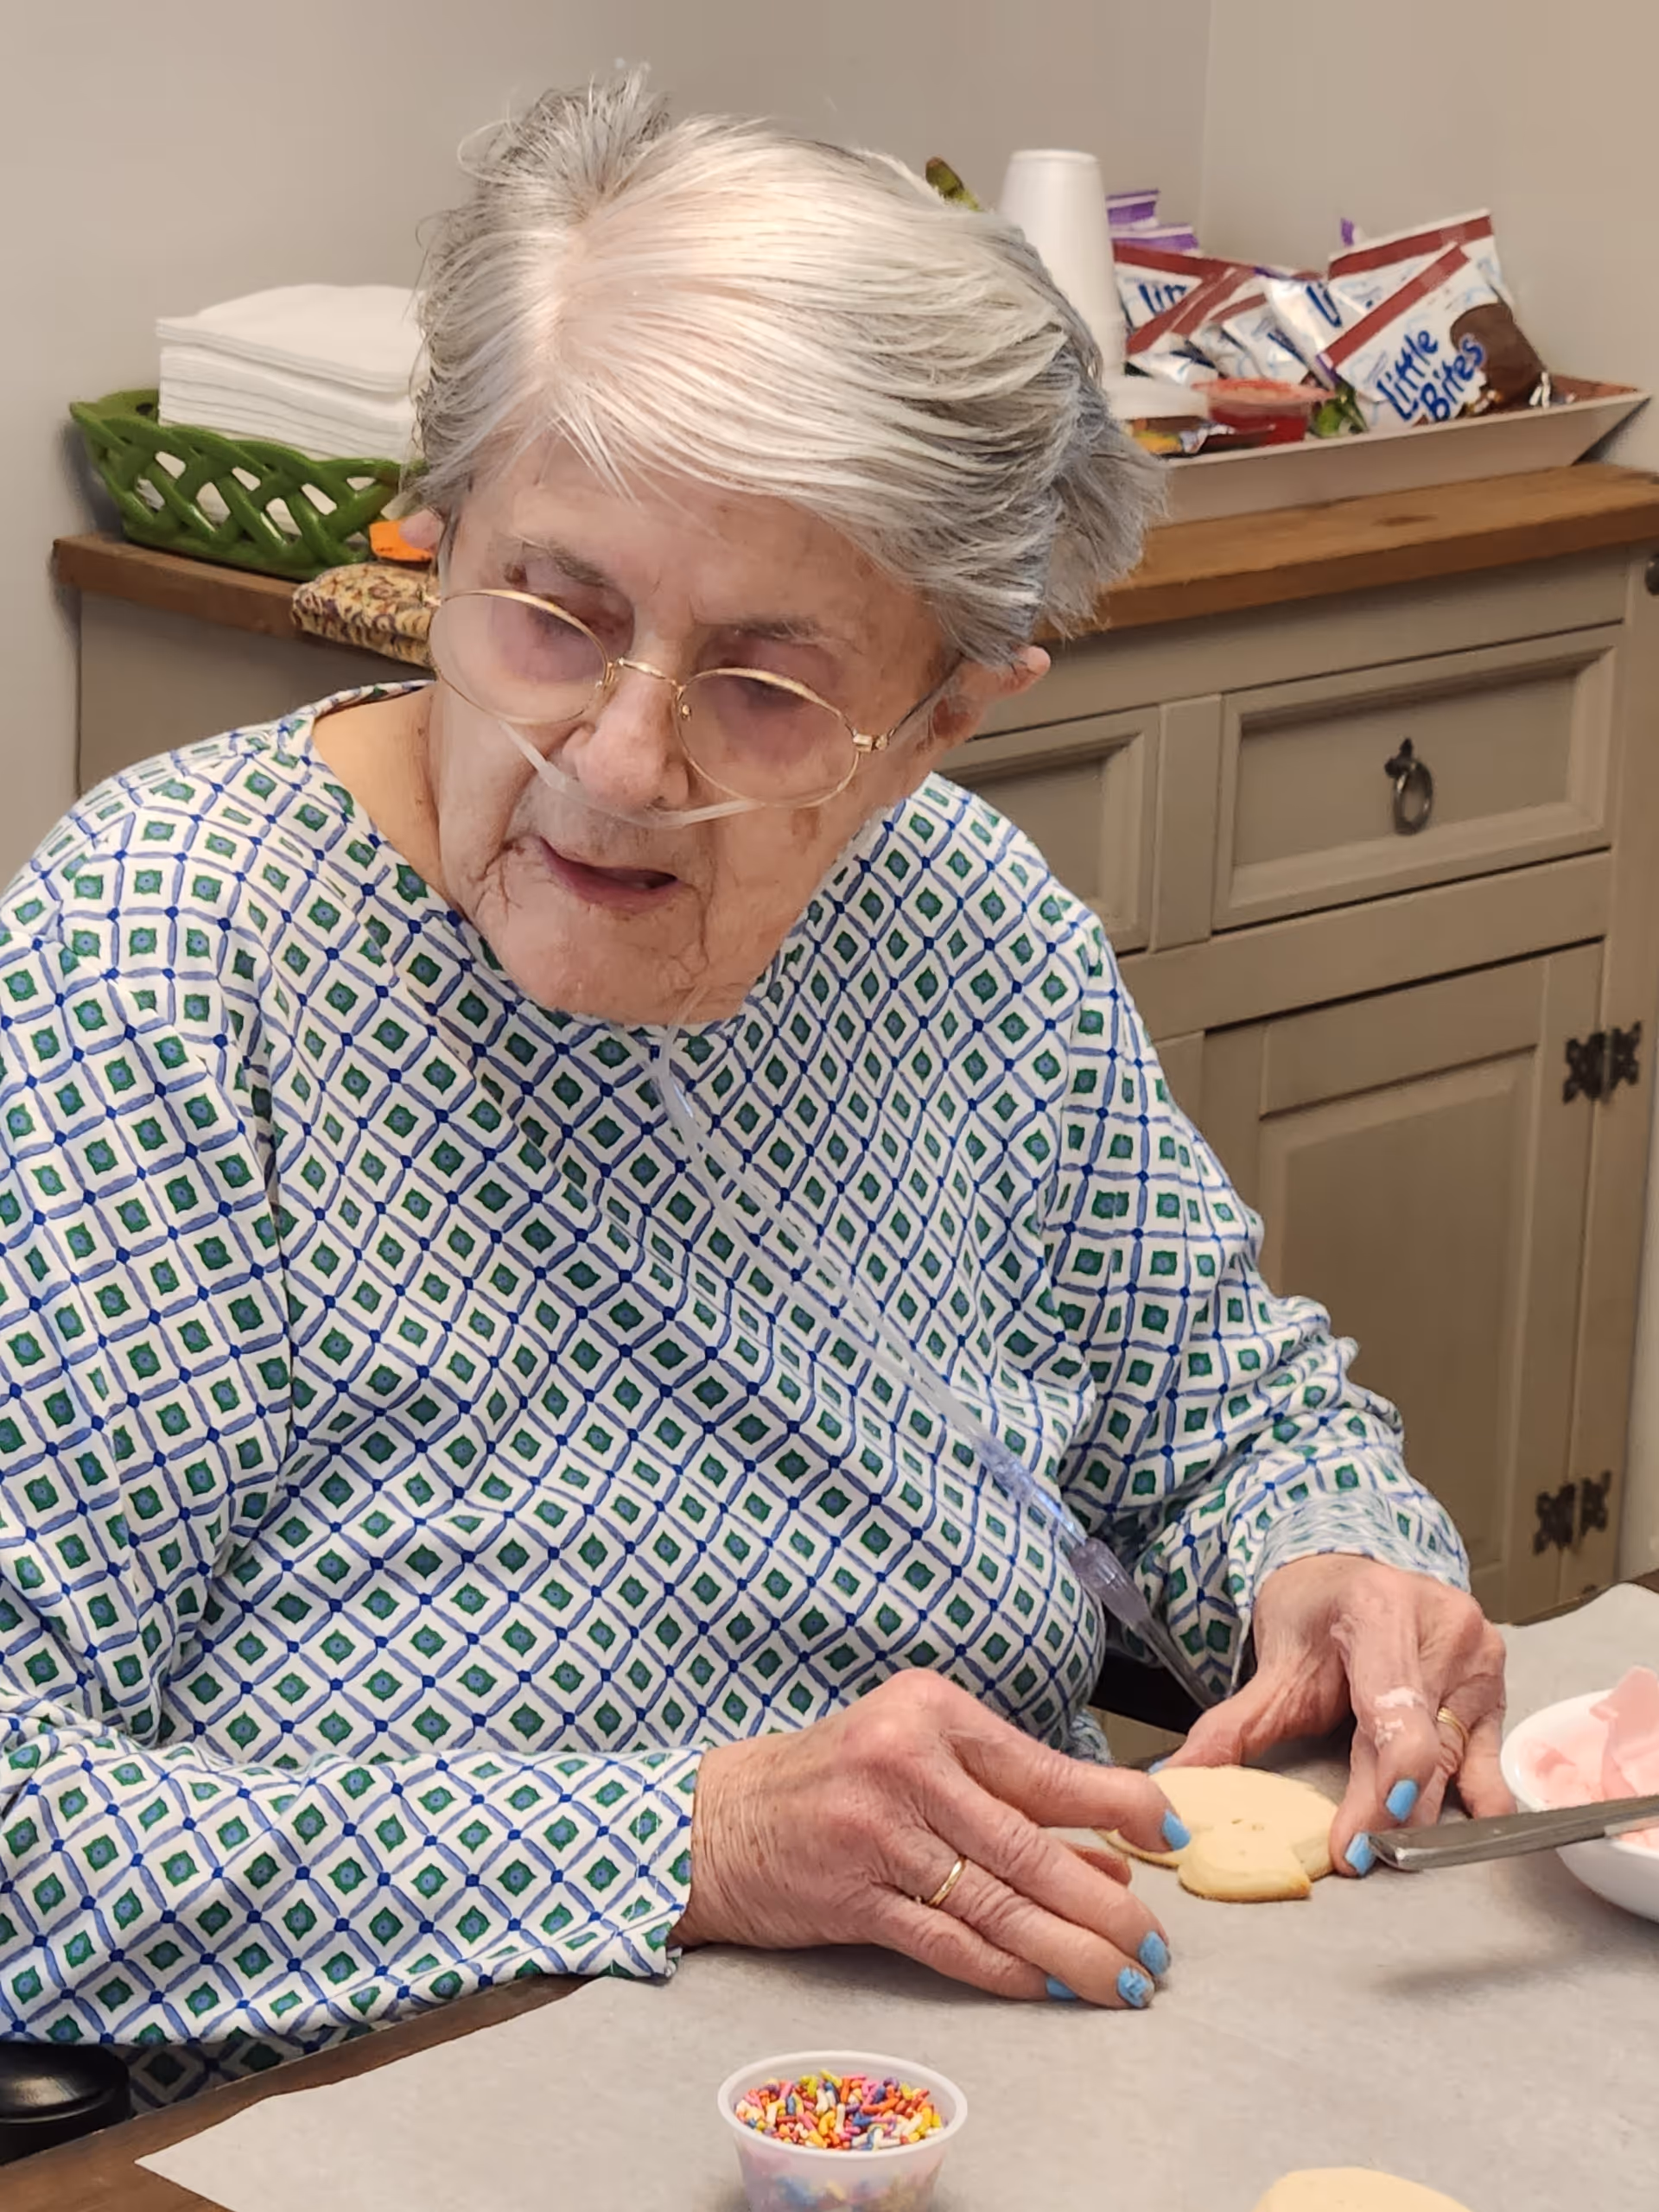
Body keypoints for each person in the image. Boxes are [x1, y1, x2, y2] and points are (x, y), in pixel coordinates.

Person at [0, 77, 1505, 2104]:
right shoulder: (174, 945)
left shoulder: (967, 925)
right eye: (554, 606)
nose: (617, 758)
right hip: (391, 2110)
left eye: (768, 683)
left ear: (945, 717)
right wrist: (688, 1838)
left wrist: (1332, 1560)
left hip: (990, 2076)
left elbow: (1229, 1413)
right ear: (428, 536)